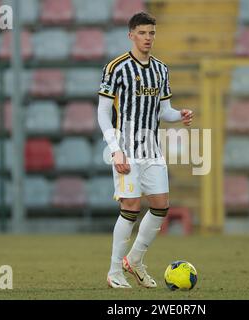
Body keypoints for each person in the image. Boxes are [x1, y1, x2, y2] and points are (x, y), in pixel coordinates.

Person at [97, 12, 193, 289]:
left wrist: (180, 115)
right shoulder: (116, 67)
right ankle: (114, 271)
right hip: (125, 148)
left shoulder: (161, 69)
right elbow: (103, 113)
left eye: (151, 33)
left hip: (151, 148)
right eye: (142, 33)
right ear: (131, 35)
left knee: (161, 206)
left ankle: (135, 260)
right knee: (130, 206)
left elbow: (164, 111)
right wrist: (115, 150)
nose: (148, 38)